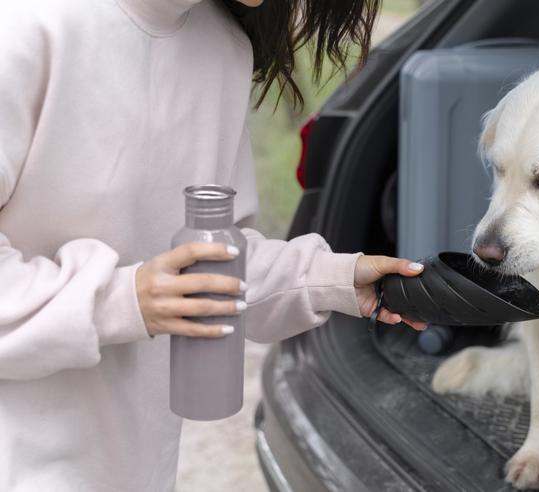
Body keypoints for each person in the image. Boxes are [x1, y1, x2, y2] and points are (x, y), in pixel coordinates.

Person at [0, 0, 424, 490]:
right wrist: (122, 299)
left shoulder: (222, 51)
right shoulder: (26, 27)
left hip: (138, 467)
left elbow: (216, 258)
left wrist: (335, 278)